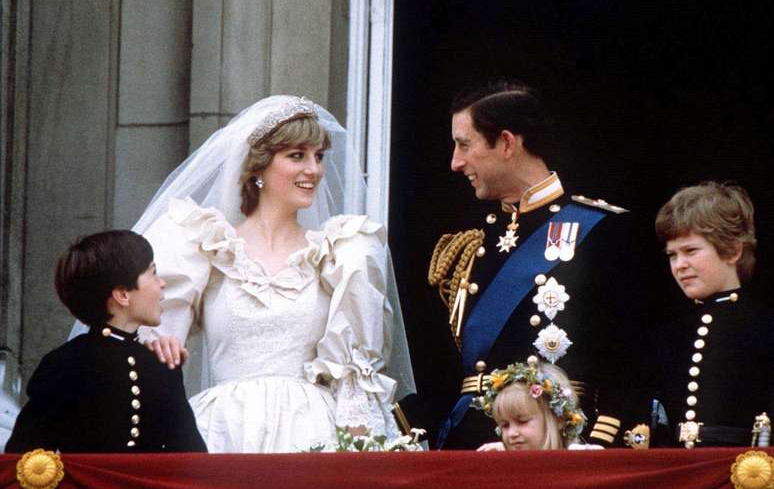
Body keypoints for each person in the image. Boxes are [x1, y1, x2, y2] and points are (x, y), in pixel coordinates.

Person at [130, 95, 415, 453]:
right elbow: (154, 343)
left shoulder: (339, 253)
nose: (313, 169)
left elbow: (353, 378)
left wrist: (358, 455)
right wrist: (156, 339)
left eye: (318, 156)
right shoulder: (205, 246)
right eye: (297, 156)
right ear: (258, 167)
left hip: (314, 433)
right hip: (224, 433)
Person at [428, 79, 650, 449]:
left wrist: (597, 444)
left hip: (560, 442)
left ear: (507, 143)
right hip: (475, 446)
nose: (455, 162)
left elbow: (630, 362)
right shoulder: (471, 246)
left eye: (464, 145)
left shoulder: (599, 231)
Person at [6, 230, 206, 453]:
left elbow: (192, 459)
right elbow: (26, 461)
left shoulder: (160, 365)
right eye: (153, 273)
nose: (162, 283)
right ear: (123, 295)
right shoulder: (65, 363)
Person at [650, 181, 773, 448]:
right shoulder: (667, 336)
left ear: (732, 250)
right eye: (672, 255)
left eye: (691, 251)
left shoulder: (764, 328)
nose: (680, 265)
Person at [475, 358, 584, 451]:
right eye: (505, 425)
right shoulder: (501, 466)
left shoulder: (583, 463)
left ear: (559, 419)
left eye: (522, 422)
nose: (512, 434)